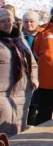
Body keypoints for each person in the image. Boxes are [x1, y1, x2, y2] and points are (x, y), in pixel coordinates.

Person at [0, 8, 38, 136]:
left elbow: (32, 62)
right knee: (5, 131)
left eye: (8, 20)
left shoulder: (19, 38)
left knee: (19, 128)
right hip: (3, 94)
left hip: (23, 92)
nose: (6, 23)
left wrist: (33, 81)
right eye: (2, 21)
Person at [21, 10, 40, 126]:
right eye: (26, 22)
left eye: (31, 21)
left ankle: (33, 123)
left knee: (35, 100)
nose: (29, 24)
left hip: (38, 72)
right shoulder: (18, 36)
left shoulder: (41, 35)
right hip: (22, 73)